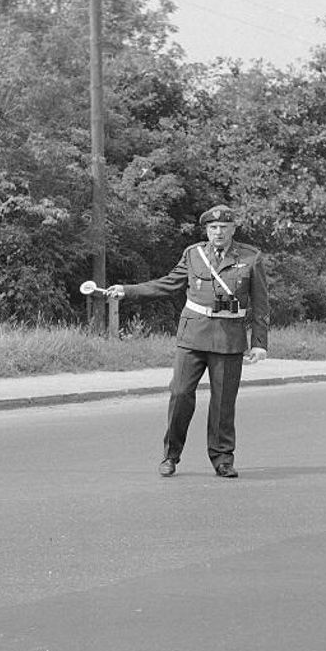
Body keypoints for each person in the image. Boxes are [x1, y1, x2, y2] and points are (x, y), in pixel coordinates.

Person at [102, 205, 269, 478]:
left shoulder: (251, 257)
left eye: (224, 228)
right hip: (192, 336)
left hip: (229, 339)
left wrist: (259, 342)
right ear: (206, 230)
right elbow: (168, 284)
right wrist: (128, 290)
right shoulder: (194, 255)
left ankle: (222, 458)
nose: (218, 232)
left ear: (233, 229)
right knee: (179, 394)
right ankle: (170, 455)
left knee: (223, 402)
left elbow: (261, 304)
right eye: (213, 228)